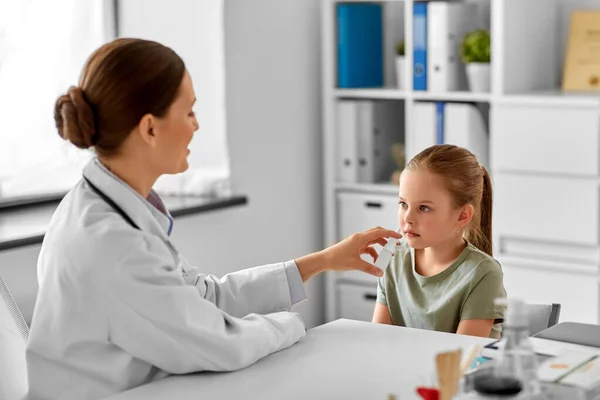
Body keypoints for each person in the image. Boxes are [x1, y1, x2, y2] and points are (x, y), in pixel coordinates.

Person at [25, 38, 401, 400]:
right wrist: (295, 326)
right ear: (149, 128)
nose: (196, 125)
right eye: (188, 111)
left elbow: (205, 297)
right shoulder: (114, 244)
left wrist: (324, 261)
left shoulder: (98, 204)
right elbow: (220, 343)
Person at [372, 144, 507, 339]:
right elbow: (378, 341)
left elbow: (460, 360)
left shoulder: (483, 274)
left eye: (424, 208)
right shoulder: (393, 260)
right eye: (403, 204)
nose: (407, 218)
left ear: (462, 215)